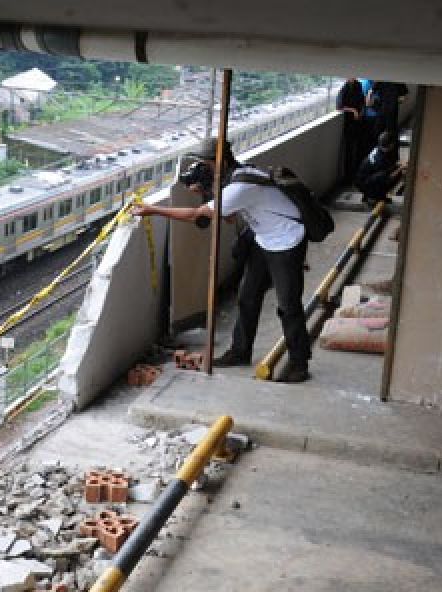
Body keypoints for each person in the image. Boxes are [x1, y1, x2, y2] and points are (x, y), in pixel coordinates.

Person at [132, 138, 312, 383]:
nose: (202, 170)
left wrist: (152, 210)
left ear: (220, 162)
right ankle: (240, 352)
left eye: (205, 165)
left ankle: (299, 364)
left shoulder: (240, 186)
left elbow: (198, 216)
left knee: (288, 305)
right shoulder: (234, 177)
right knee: (247, 297)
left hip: (286, 240)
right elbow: (228, 217)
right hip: (264, 239)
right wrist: (208, 192)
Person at [354, 131, 406, 205]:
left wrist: (397, 165)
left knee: (390, 173)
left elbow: (387, 168)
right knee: (389, 176)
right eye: (393, 144)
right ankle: (372, 197)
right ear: (390, 145)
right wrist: (401, 168)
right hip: (365, 184)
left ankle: (377, 195)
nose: (393, 145)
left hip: (366, 179)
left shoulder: (378, 149)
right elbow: (388, 177)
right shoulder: (379, 159)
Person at [335, 78, 367, 184]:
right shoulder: (344, 89)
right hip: (349, 124)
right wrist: (353, 110)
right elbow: (339, 107)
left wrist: (361, 111)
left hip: (359, 123)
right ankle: (348, 177)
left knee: (358, 149)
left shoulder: (358, 86)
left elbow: (362, 101)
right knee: (349, 151)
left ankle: (357, 174)